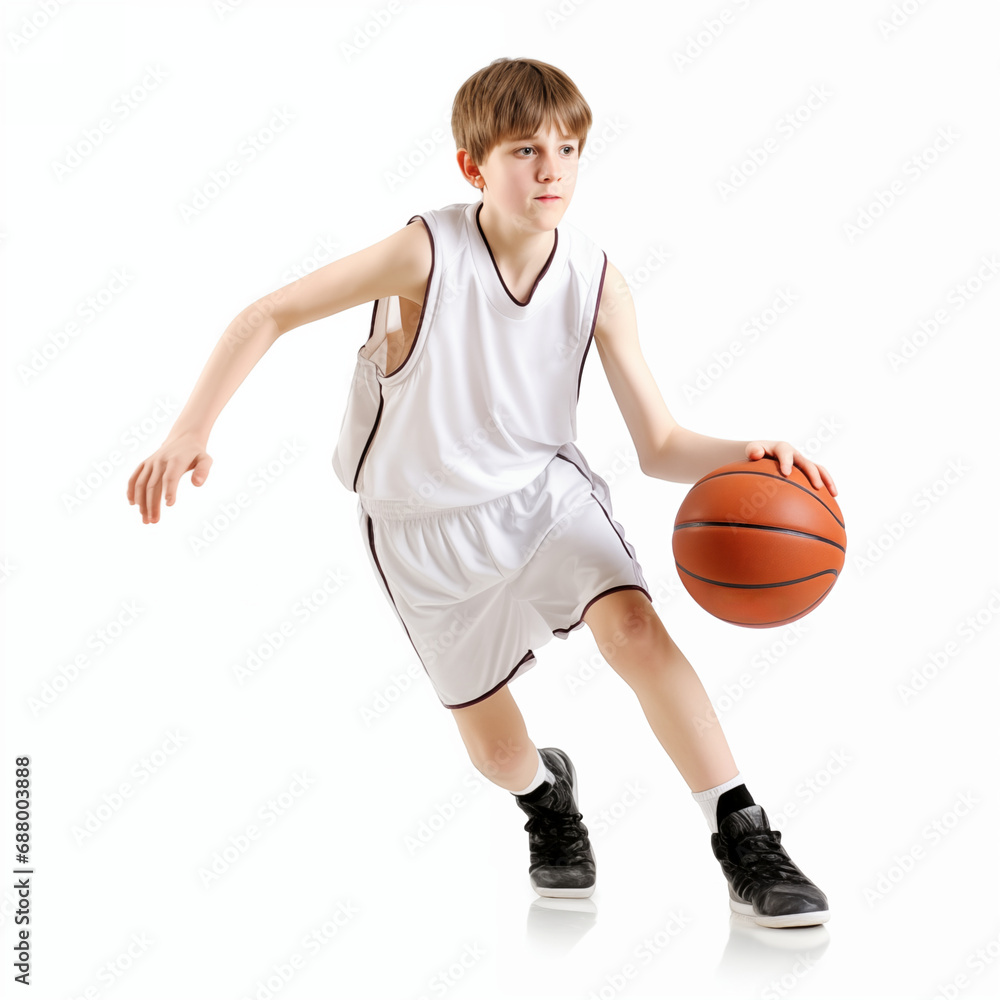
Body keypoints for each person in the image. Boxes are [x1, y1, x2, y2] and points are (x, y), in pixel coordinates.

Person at [127, 56, 838, 928]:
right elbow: (267, 313)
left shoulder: (596, 278)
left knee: (635, 626)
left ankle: (742, 834)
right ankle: (546, 796)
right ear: (475, 166)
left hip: (543, 497)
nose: (552, 170)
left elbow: (659, 445)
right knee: (499, 752)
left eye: (569, 150)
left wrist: (745, 453)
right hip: (419, 529)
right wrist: (191, 428)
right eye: (526, 150)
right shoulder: (425, 252)